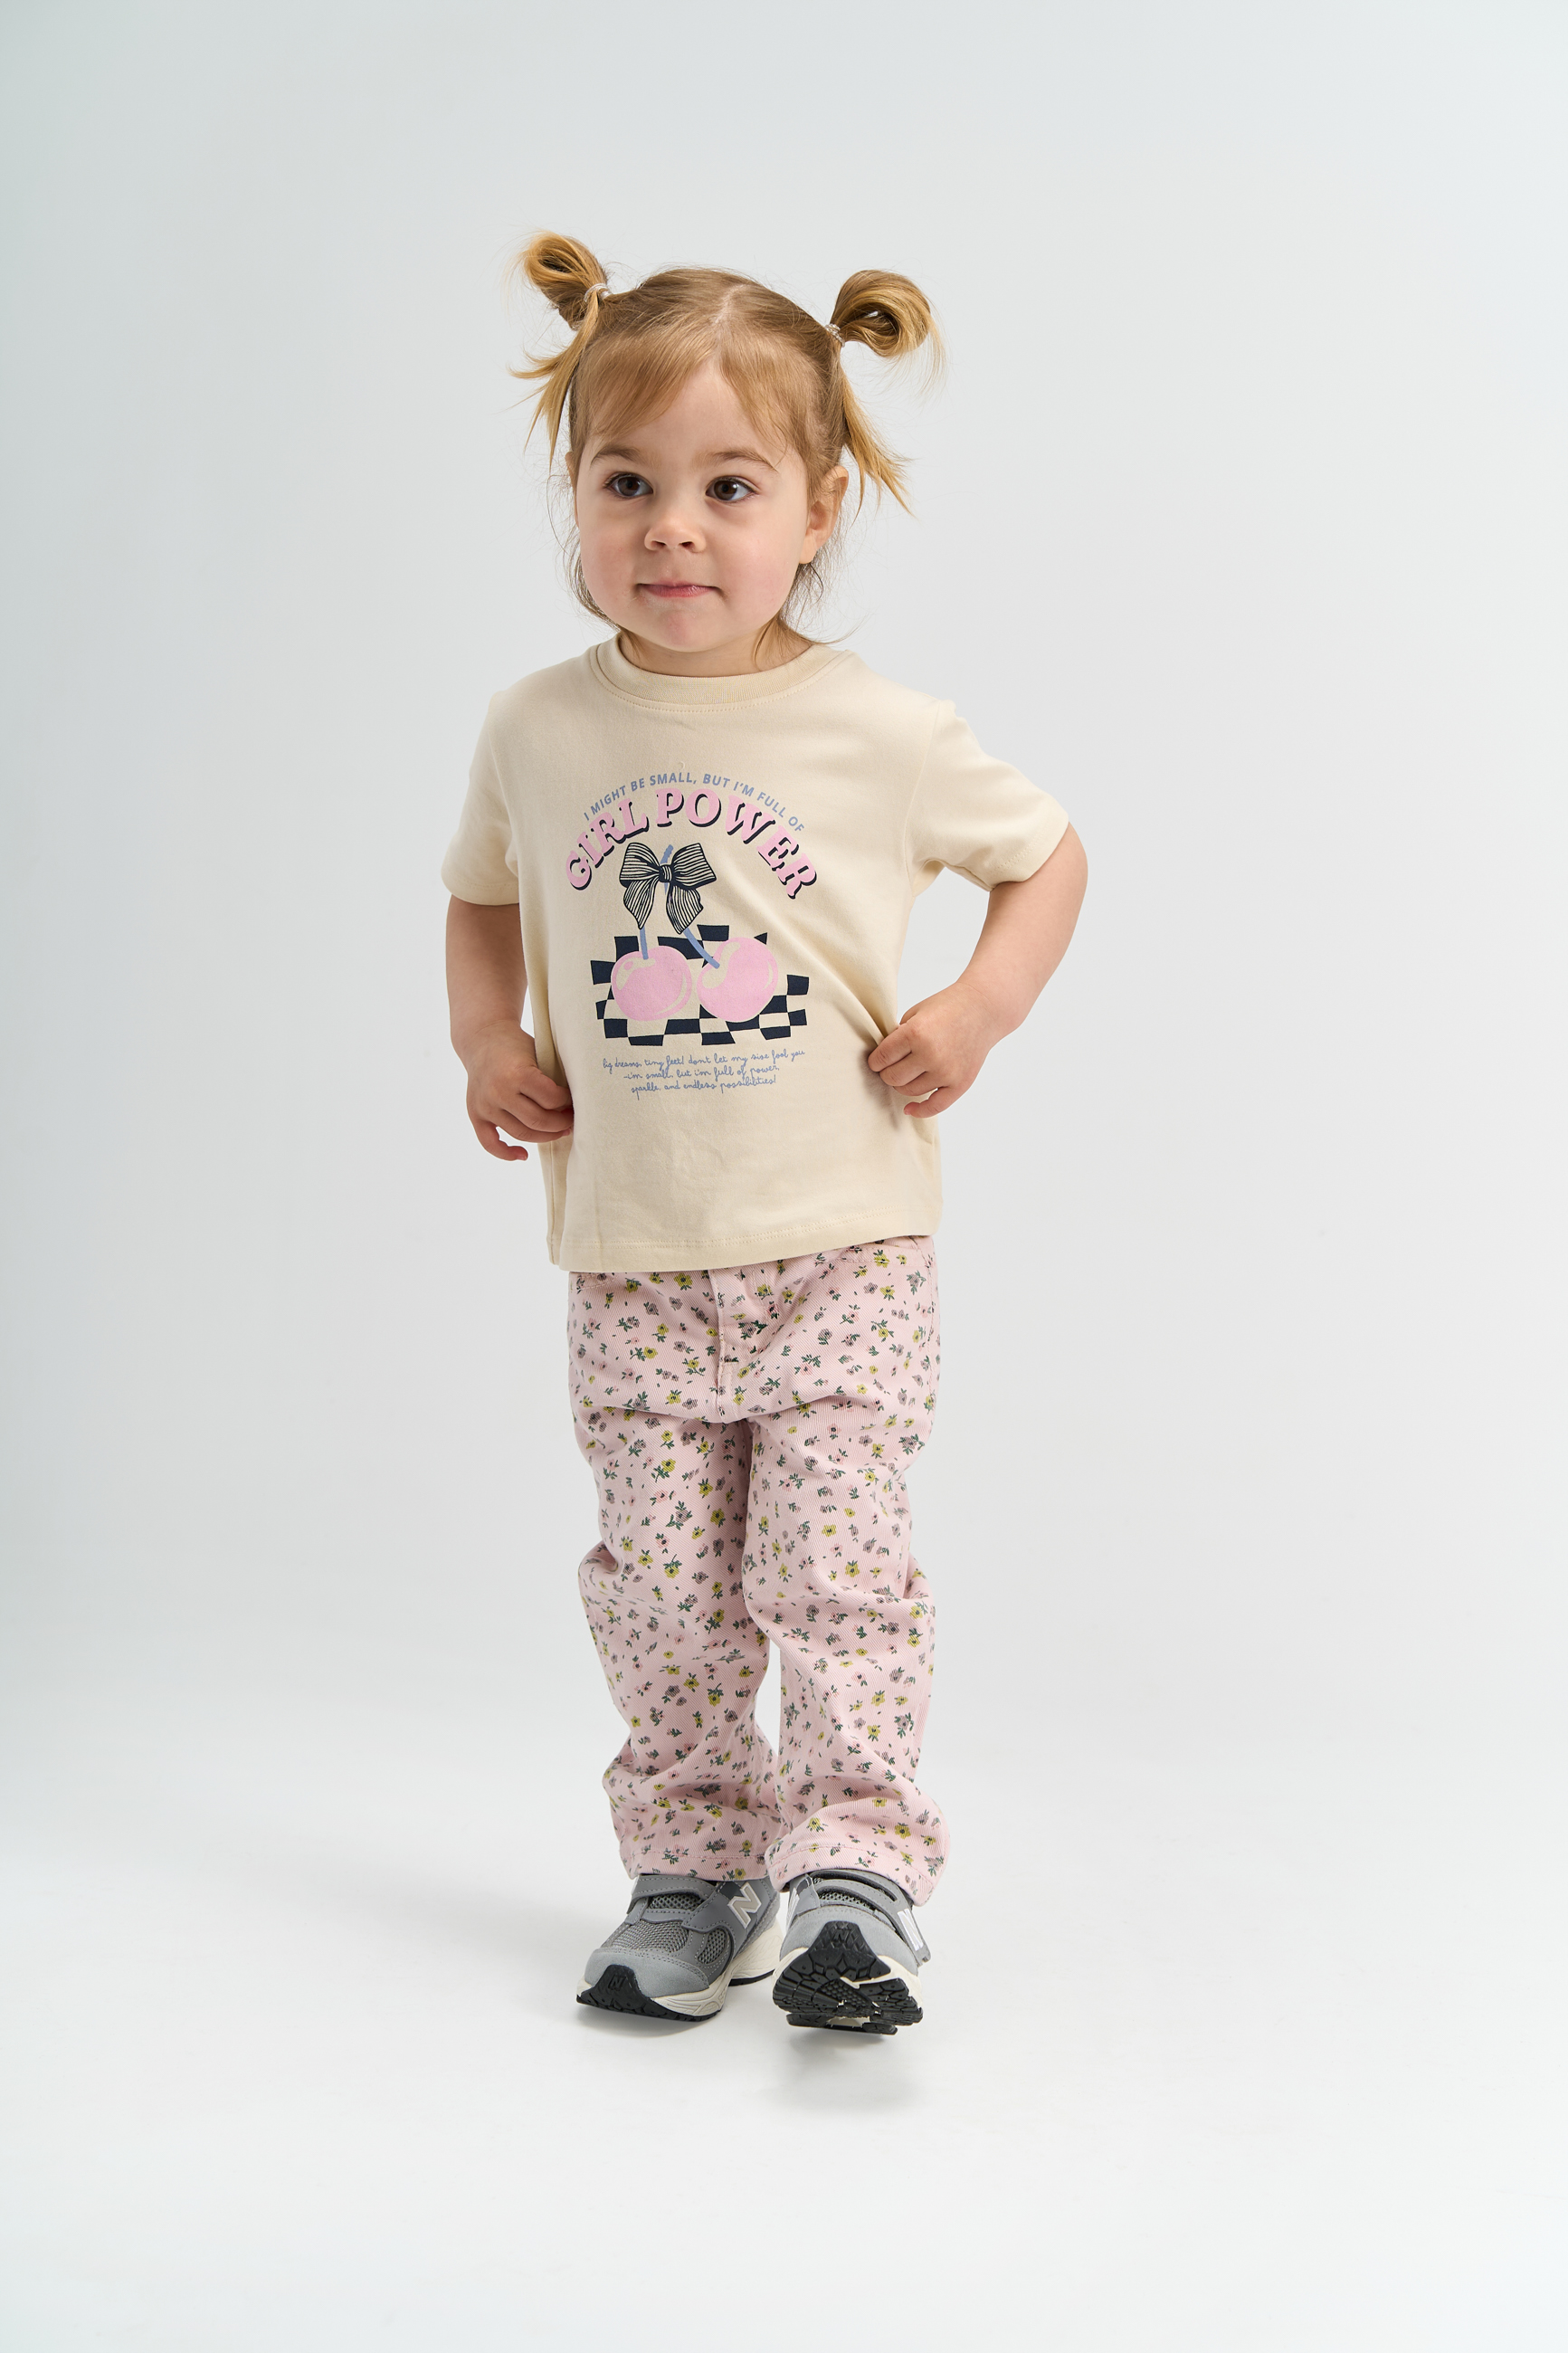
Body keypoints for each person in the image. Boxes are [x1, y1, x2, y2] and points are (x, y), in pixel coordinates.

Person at [442, 233, 1088, 2034]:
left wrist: (978, 1008)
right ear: (575, 494)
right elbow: (481, 895)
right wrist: (486, 1035)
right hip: (635, 1256)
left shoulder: (879, 731)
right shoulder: (537, 729)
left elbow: (1046, 855)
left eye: (727, 488)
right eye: (625, 483)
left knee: (834, 1568)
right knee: (661, 1589)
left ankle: (855, 1877)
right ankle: (694, 1870)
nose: (673, 530)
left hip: (841, 1248)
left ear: (817, 510)